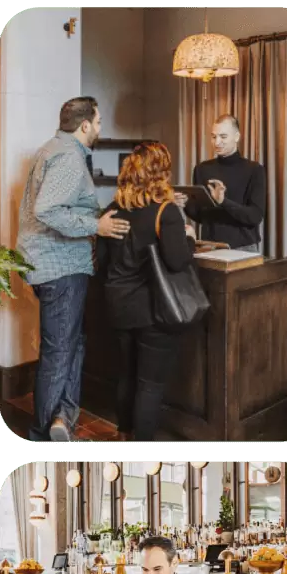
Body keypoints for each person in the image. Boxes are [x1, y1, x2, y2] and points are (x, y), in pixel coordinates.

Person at [16, 96, 130, 442]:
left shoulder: (51, 149)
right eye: (97, 122)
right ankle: (41, 434)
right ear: (84, 125)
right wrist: (97, 227)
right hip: (60, 267)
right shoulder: (68, 157)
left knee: (71, 344)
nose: (99, 128)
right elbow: (48, 210)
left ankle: (61, 421)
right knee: (60, 349)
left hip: (49, 264)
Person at [97, 142, 198, 442]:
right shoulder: (165, 212)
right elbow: (177, 260)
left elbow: (102, 262)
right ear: (160, 173)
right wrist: (189, 237)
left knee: (127, 374)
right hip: (152, 310)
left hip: (118, 306)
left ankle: (124, 435)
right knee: (150, 385)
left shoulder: (112, 210)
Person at [187, 114, 266, 251]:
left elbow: (255, 216)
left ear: (236, 137)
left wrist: (223, 201)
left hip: (243, 248)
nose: (217, 142)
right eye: (213, 137)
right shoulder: (201, 169)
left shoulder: (254, 170)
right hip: (209, 246)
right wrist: (184, 205)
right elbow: (201, 217)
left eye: (223, 137)